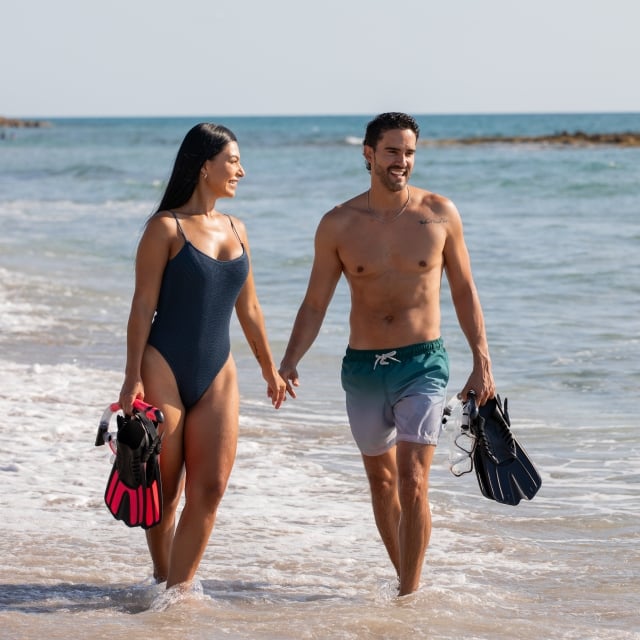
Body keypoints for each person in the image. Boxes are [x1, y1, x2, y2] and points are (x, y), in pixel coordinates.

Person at [279, 112, 495, 596]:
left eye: (410, 152)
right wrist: (290, 360)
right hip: (363, 368)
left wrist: (482, 360)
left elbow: (464, 290)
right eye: (393, 151)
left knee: (413, 480)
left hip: (424, 363)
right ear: (369, 154)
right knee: (381, 482)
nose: (403, 161)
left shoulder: (439, 214)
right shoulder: (338, 223)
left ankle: (407, 597)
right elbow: (316, 303)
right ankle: (405, 579)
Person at [119, 122, 288, 589]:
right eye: (233, 161)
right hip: (162, 366)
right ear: (203, 166)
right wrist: (131, 377)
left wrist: (269, 369)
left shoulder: (237, 229)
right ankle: (162, 577)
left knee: (209, 488)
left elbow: (249, 308)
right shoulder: (164, 228)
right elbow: (141, 308)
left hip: (219, 370)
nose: (241, 170)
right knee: (166, 489)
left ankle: (178, 591)